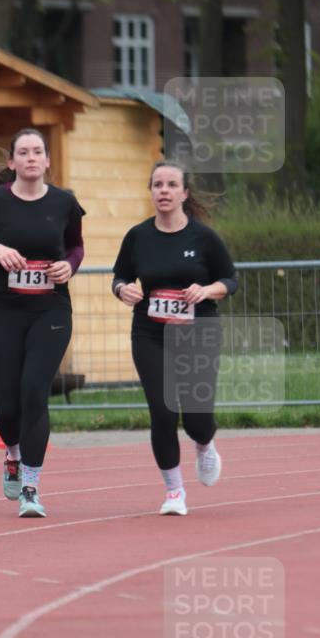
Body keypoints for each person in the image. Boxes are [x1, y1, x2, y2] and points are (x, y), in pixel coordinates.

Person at [0, 128, 85, 518]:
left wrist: (70, 265)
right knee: (7, 405)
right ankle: (11, 455)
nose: (31, 158)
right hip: (3, 311)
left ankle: (31, 486)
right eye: (24, 152)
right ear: (11, 162)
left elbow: (75, 245)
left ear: (47, 160)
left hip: (50, 310)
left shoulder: (64, 202)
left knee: (34, 393)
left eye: (37, 152)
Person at [112, 160, 238, 516]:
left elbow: (230, 280)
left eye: (171, 185)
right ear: (151, 192)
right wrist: (123, 289)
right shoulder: (138, 236)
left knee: (197, 418)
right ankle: (174, 491)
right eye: (157, 185)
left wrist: (206, 290)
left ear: (185, 193)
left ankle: (205, 443)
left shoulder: (203, 237)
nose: (163, 191)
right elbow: (120, 276)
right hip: (150, 333)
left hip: (198, 331)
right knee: (163, 412)